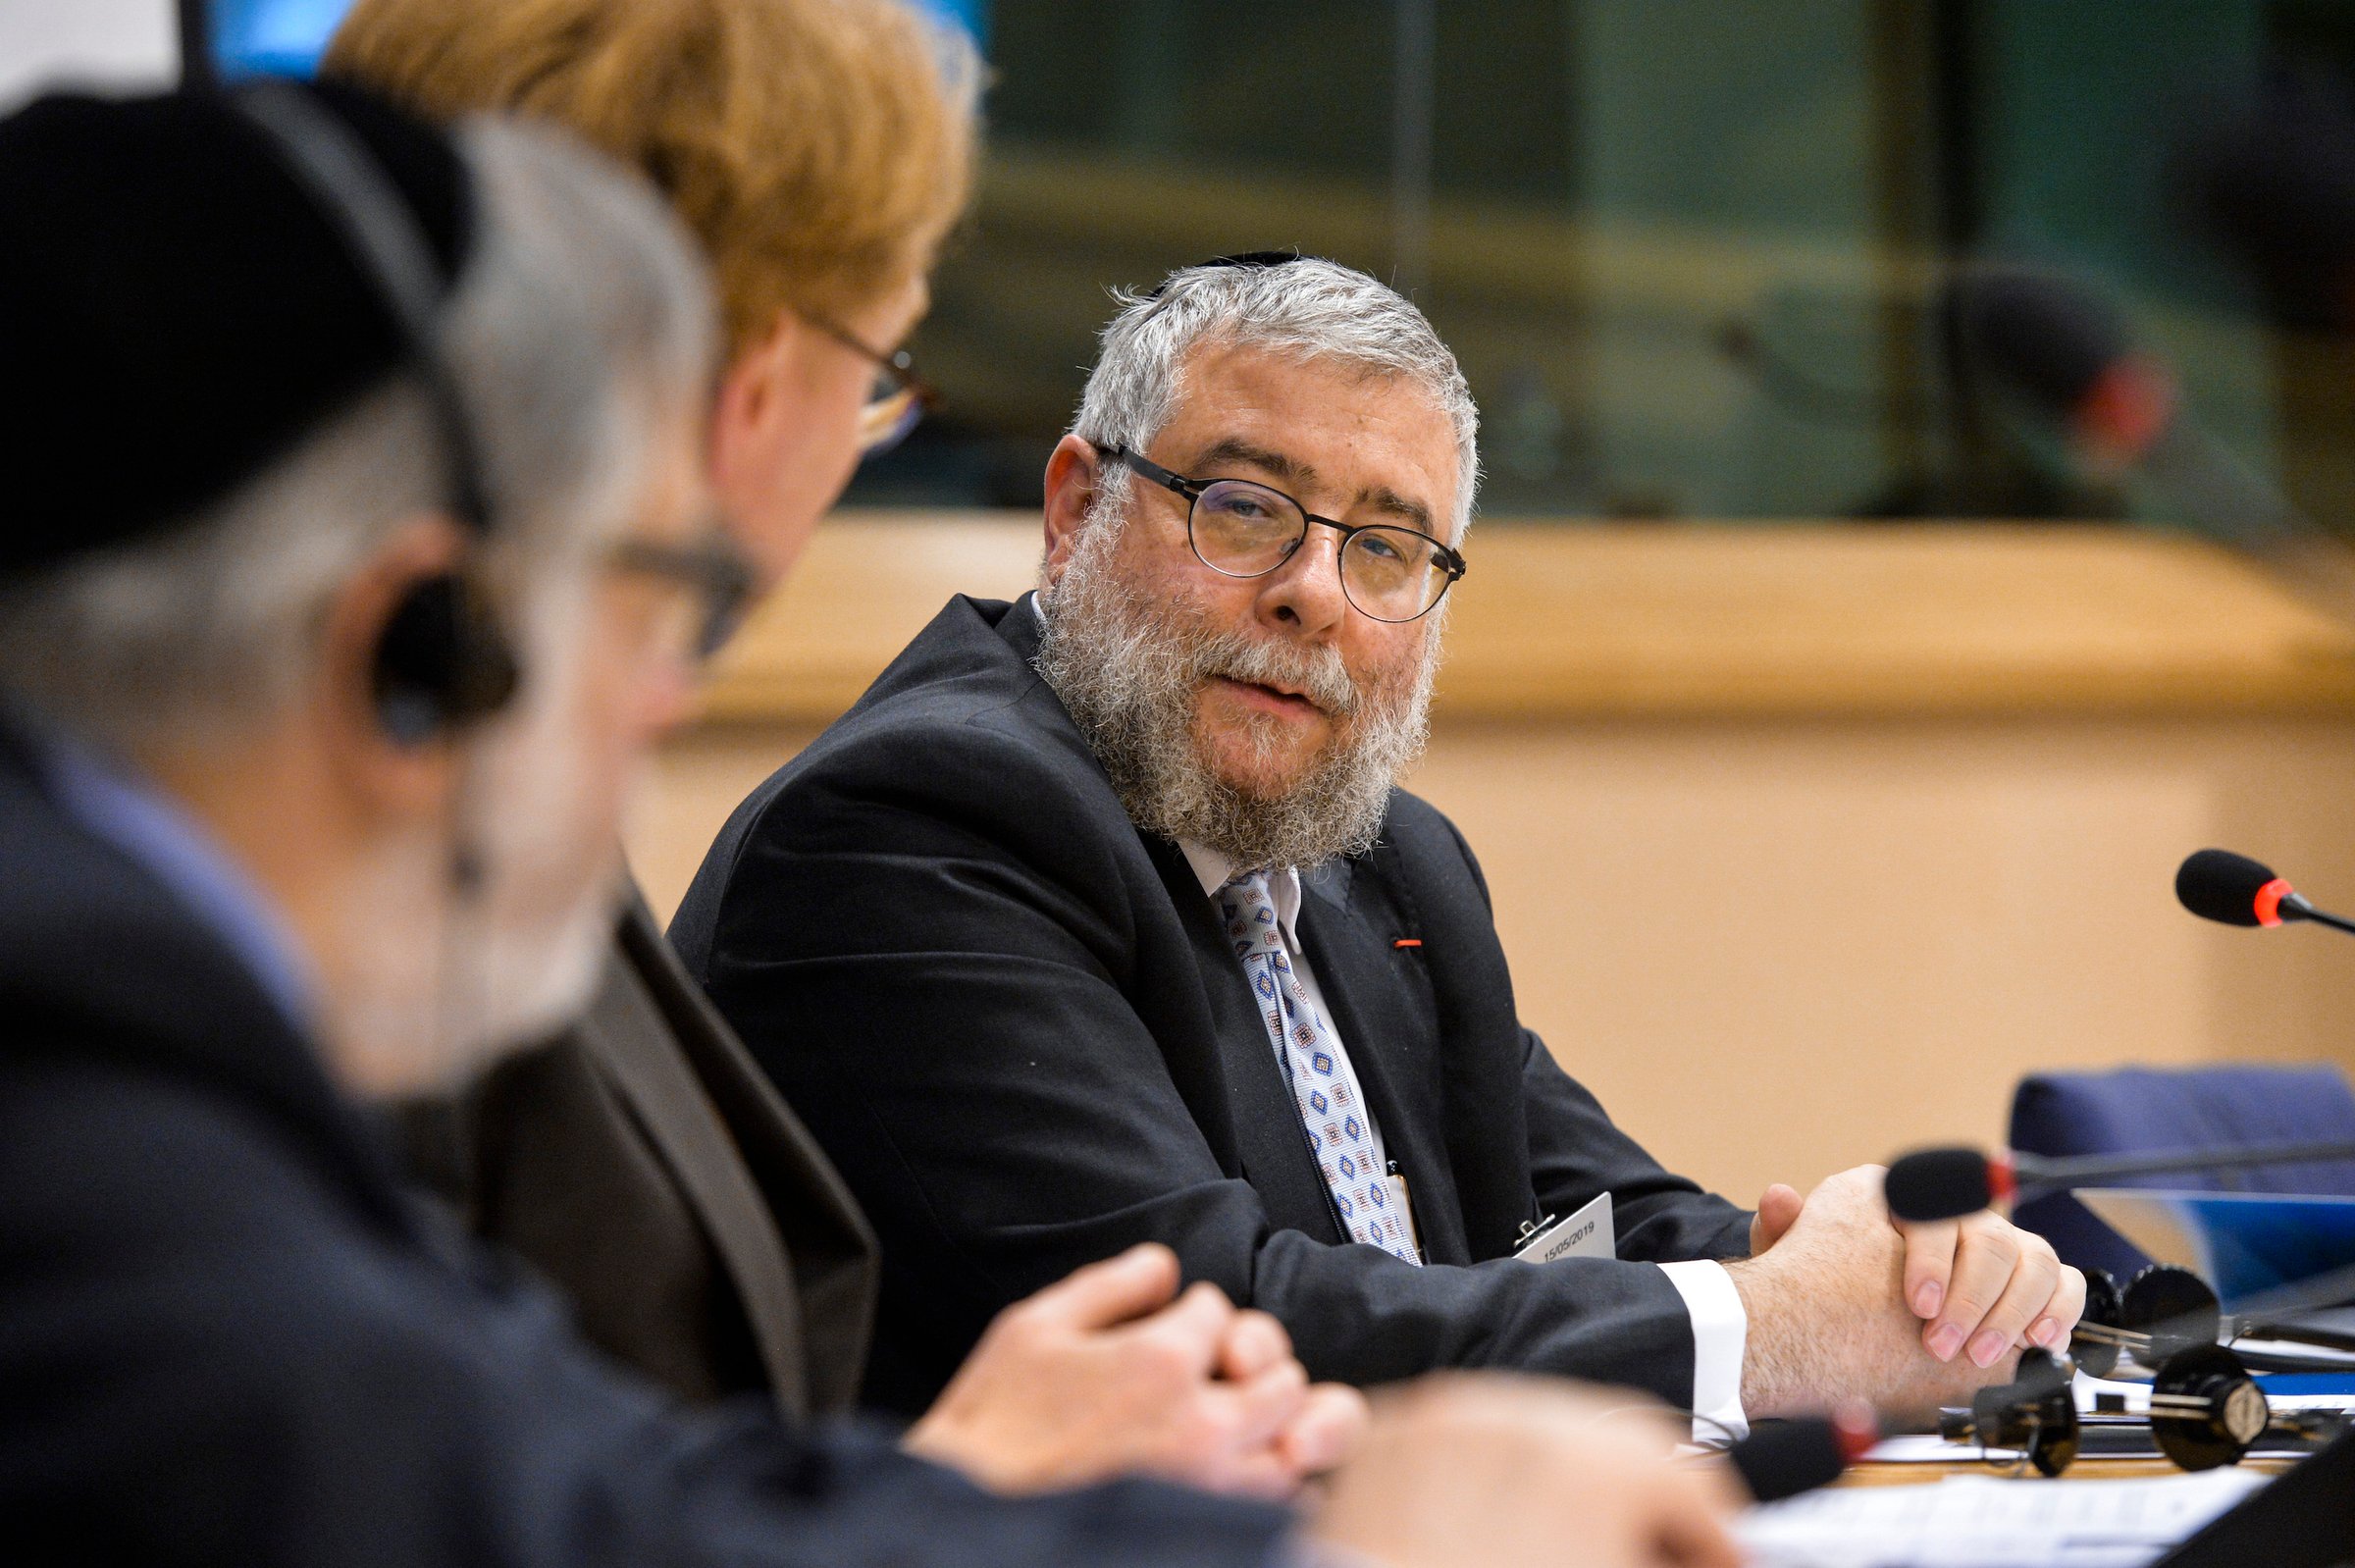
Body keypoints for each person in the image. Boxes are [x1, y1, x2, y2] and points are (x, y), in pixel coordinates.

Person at [0, 81, 1747, 1568]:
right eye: (656, 597)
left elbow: (596, 1468)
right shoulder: (88, 1115)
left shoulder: (173, 1027)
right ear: (410, 646)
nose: (667, 701)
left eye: (1384, 550)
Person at [670, 254, 2089, 1430]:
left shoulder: (1383, 864)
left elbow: (1583, 1220)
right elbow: (1216, 1332)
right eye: (1243, 509)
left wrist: (1887, 1273)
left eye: (1387, 549)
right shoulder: (918, 827)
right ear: (1073, 509)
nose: (1313, 594)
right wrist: (1764, 1326)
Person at [322, 0, 1362, 1495]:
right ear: (749, 374)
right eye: (879, 370)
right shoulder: (374, 844)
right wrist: (954, 1480)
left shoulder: (439, 753)